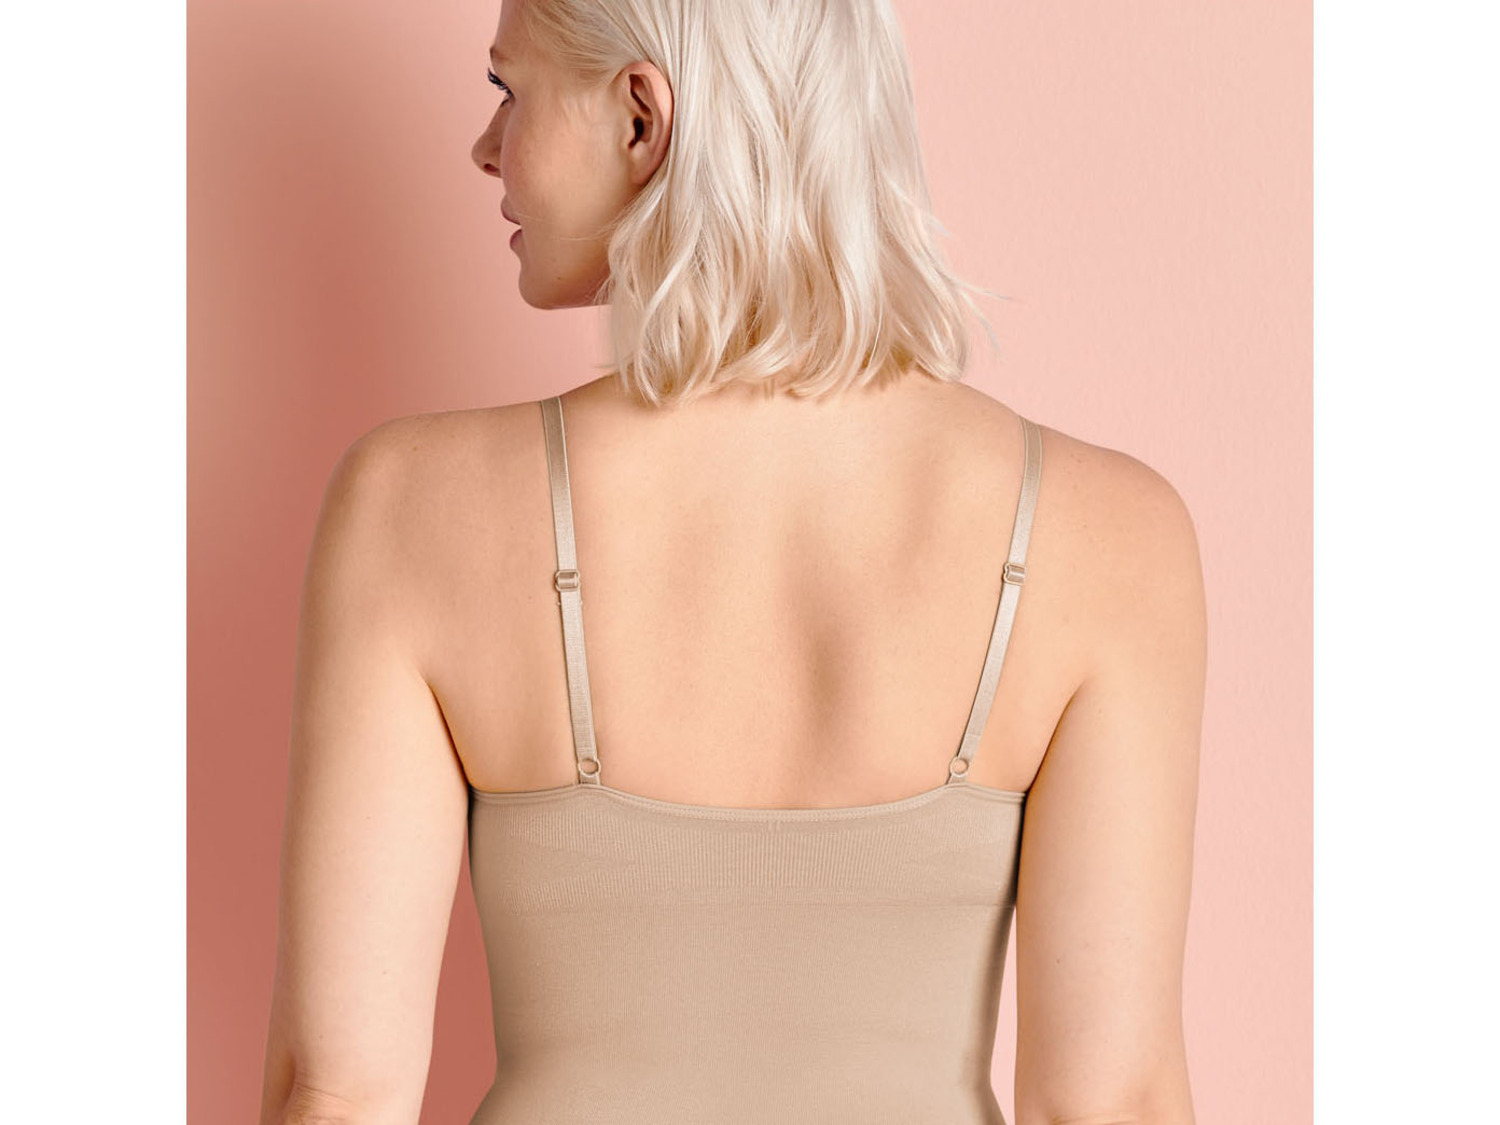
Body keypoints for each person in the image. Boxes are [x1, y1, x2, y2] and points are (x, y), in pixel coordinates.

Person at [258, 1, 1205, 1122]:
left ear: (642, 120)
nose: (485, 145)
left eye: (510, 90)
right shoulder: (1108, 537)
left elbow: (337, 1091)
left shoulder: (413, 510)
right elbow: (1111, 1102)